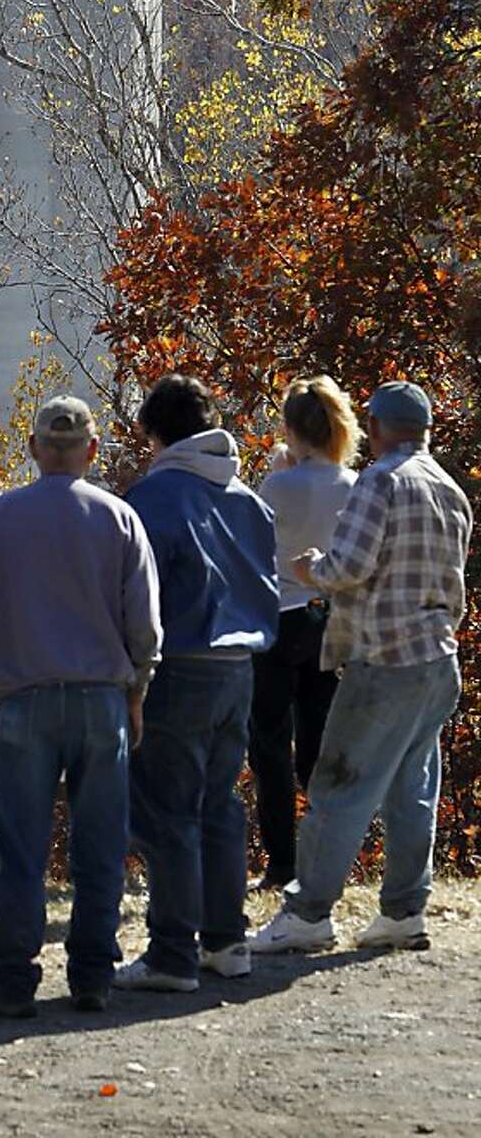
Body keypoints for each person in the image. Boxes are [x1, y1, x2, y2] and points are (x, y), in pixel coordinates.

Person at [0, 397, 161, 1018]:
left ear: (35, 448)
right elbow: (144, 624)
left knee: (21, 848)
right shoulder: (119, 517)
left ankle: (13, 979)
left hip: (26, 700)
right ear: (92, 450)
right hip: (102, 700)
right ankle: (93, 975)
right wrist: (137, 690)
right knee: (100, 845)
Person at [252, 381, 472, 956]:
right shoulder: (448, 488)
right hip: (437, 656)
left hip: (384, 657)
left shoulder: (382, 481)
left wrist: (311, 570)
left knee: (338, 785)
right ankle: (403, 910)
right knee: (412, 790)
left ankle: (308, 913)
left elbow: (348, 566)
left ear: (374, 426)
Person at [115, 374, 278, 993]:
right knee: (220, 803)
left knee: (167, 811)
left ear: (154, 433)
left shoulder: (152, 498)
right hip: (240, 667)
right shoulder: (247, 499)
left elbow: (135, 593)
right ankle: (226, 940)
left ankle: (171, 953)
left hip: (179, 664)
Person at [250, 376, 360, 890]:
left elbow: (256, 546)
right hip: (329, 619)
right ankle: (327, 858)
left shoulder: (277, 486)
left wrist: (280, 473)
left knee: (270, 745)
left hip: (278, 618)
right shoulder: (353, 483)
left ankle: (281, 862)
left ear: (291, 429)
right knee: (319, 744)